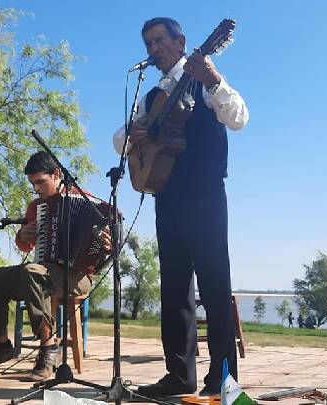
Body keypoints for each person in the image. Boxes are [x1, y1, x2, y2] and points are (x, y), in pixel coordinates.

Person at [112, 17, 249, 397]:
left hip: (204, 194)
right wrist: (134, 133)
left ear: (181, 41)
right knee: (174, 290)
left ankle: (223, 380)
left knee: (215, 287)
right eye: (148, 44)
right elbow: (119, 140)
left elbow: (238, 117)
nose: (154, 49)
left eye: (159, 41)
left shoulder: (203, 80)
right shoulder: (151, 95)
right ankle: (179, 375)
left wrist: (214, 79)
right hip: (166, 197)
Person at [0, 151, 111, 381]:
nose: (36, 188)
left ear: (56, 175)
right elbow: (25, 246)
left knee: (32, 272)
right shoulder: (36, 207)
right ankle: (0, 345)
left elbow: (109, 240)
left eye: (40, 182)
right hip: (40, 272)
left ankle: (48, 349)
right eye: (33, 183)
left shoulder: (87, 201)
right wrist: (23, 235)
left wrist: (108, 242)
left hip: (77, 275)